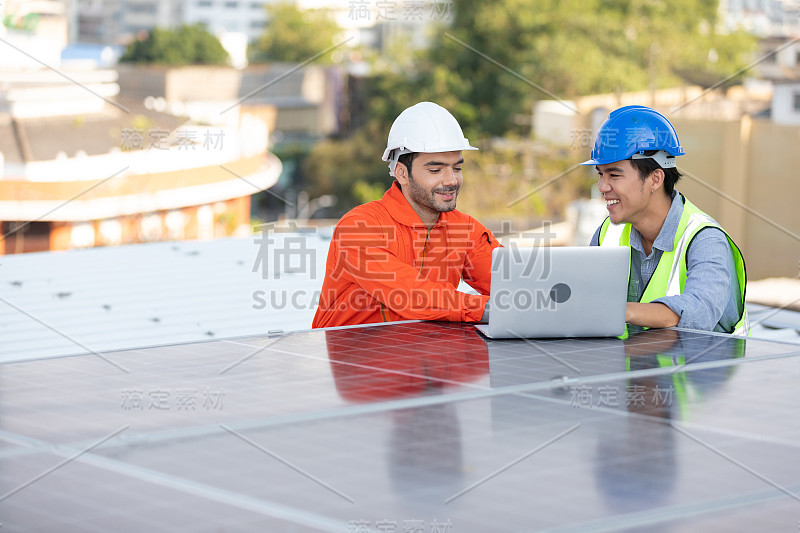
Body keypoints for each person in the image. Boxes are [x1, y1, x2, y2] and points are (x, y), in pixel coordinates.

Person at [312, 102, 500, 328]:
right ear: (401, 172)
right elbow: (409, 294)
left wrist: (544, 299)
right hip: (352, 356)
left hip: (423, 355)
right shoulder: (359, 227)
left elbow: (511, 282)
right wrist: (487, 309)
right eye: (435, 170)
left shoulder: (466, 230)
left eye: (457, 168)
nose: (451, 180)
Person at [585, 105, 749, 335]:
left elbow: (699, 312)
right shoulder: (606, 235)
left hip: (703, 369)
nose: (603, 186)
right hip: (631, 367)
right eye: (600, 174)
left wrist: (621, 311)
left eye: (614, 174)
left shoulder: (705, 239)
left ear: (655, 178)